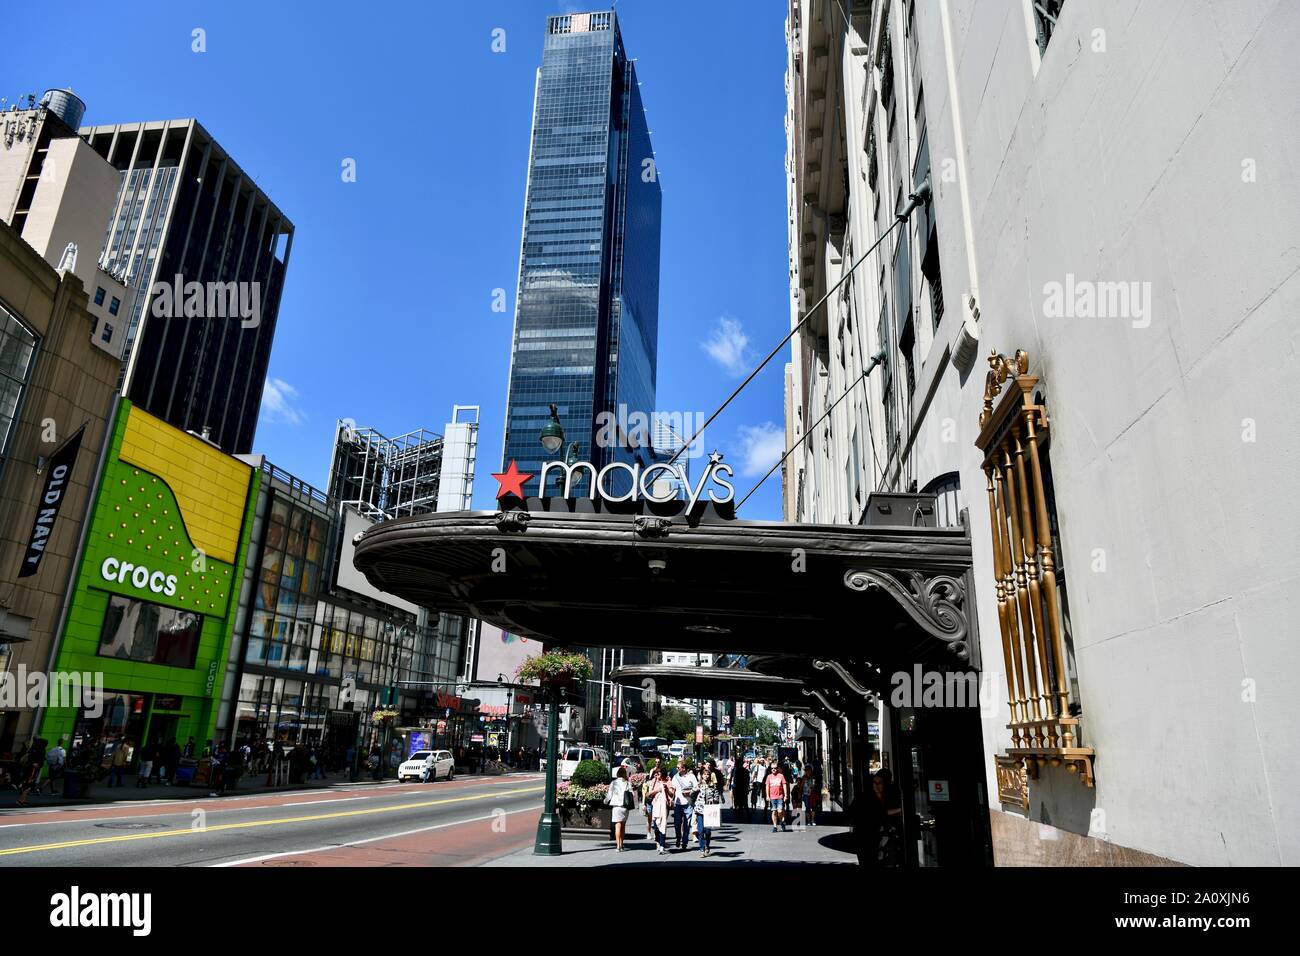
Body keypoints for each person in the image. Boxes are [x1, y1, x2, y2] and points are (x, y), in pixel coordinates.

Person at [696, 759, 723, 856]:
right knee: (700, 831)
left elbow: (716, 797)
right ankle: (701, 849)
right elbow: (692, 794)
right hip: (699, 810)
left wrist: (714, 801)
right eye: (704, 774)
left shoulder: (712, 786)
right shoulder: (699, 785)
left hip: (709, 810)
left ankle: (707, 845)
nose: (706, 776)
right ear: (702, 775)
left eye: (708, 774)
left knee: (707, 831)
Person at [646, 765, 675, 855]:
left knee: (663, 825)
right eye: (656, 774)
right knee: (656, 826)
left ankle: (662, 845)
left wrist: (666, 789)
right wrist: (656, 790)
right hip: (655, 806)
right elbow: (648, 794)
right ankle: (658, 841)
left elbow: (672, 794)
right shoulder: (654, 782)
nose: (657, 775)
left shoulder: (668, 782)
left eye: (658, 774)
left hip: (664, 807)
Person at [670, 758, 698, 851]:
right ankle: (678, 837)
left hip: (688, 803)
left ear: (684, 768)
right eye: (677, 768)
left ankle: (684, 842)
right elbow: (672, 790)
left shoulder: (691, 777)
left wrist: (689, 792)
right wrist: (670, 794)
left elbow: (696, 788)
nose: (677, 769)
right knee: (677, 824)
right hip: (678, 804)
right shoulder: (675, 777)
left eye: (679, 768)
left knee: (687, 824)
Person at [606, 765, 633, 852]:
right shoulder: (627, 783)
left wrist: (605, 801)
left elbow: (609, 795)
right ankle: (621, 844)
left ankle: (618, 846)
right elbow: (632, 794)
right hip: (625, 807)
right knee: (623, 826)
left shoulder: (614, 783)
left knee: (617, 826)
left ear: (617, 774)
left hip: (616, 807)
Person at [16, 737, 47, 806]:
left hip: (29, 767)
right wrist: (36, 764)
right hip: (33, 769)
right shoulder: (41, 750)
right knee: (29, 784)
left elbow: (30, 757)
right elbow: (41, 761)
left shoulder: (34, 748)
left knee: (28, 783)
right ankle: (21, 800)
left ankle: (24, 799)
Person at [766, 760, 790, 832]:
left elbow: (784, 785)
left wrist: (786, 795)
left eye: (775, 768)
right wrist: (767, 796)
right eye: (772, 768)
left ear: (777, 768)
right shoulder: (769, 777)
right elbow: (767, 786)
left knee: (780, 811)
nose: (774, 769)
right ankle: (775, 826)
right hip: (772, 798)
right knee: (774, 812)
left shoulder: (781, 776)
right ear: (770, 769)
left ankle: (782, 822)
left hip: (780, 797)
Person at [729, 756, 750, 823]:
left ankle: (741, 814)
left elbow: (732, 778)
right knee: (741, 802)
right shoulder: (743, 771)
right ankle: (742, 814)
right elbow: (731, 778)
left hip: (740, 788)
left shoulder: (743, 771)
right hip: (739, 788)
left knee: (741, 803)